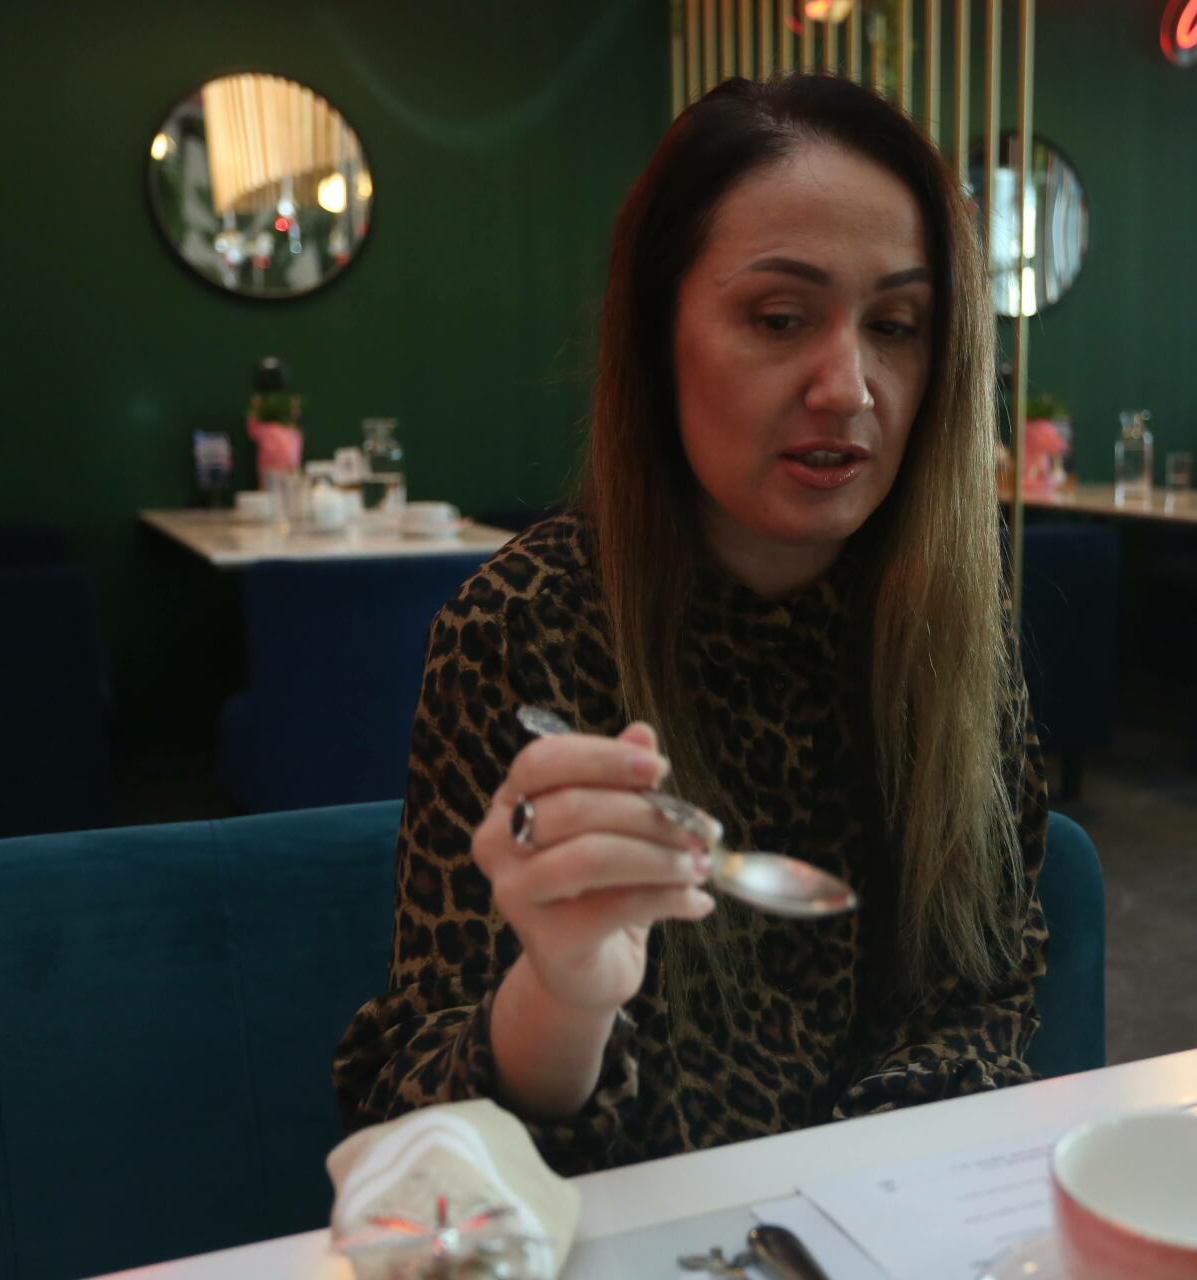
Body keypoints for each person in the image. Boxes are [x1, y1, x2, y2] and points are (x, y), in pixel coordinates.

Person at [332, 74, 1048, 1176]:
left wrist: (849, 1203)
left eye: (897, 326)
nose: (849, 387)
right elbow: (415, 1112)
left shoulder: (947, 624)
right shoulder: (522, 628)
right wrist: (562, 992)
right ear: (659, 333)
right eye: (779, 318)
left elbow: (987, 1000)